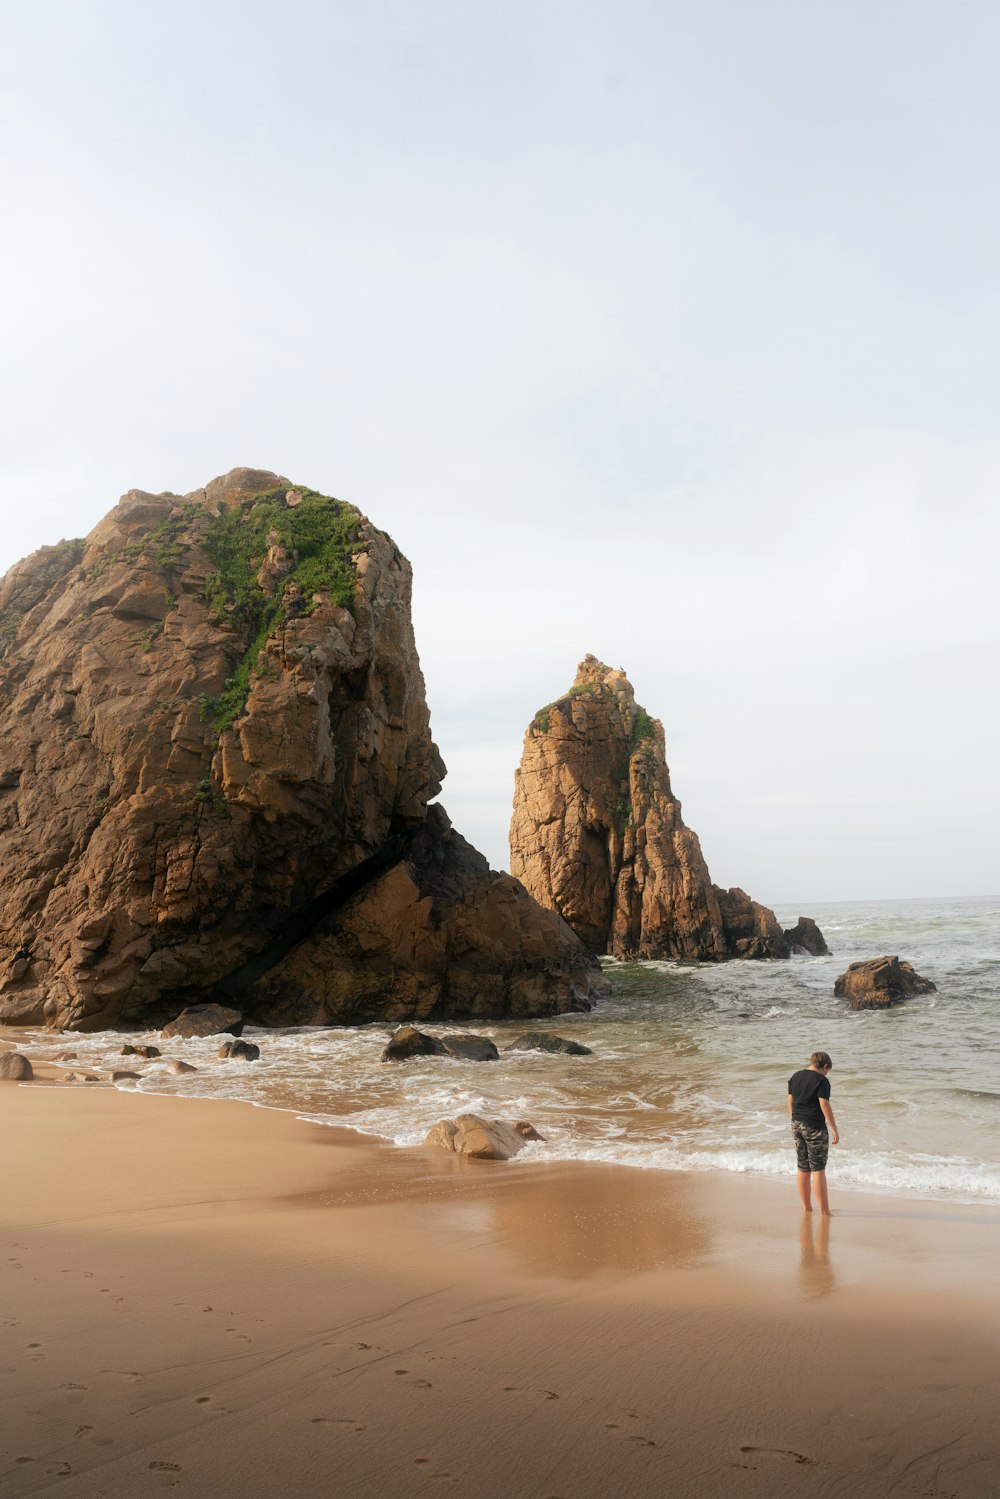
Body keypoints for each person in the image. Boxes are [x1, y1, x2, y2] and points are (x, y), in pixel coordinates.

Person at [787, 1051, 839, 1215]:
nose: (826, 1073)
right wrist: (833, 1128)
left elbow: (790, 1099)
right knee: (818, 1169)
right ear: (825, 1067)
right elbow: (824, 1104)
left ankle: (807, 1207)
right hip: (814, 1127)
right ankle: (824, 1211)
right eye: (827, 1070)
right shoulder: (822, 1080)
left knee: (803, 1168)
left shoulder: (796, 1076)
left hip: (796, 1123)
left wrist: (794, 1119)